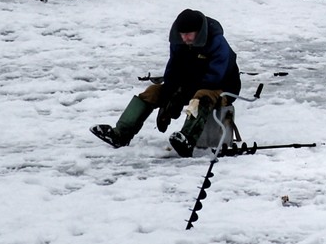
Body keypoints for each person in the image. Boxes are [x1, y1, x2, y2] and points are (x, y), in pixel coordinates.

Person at [92, 9, 242, 154]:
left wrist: (183, 93)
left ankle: (188, 139)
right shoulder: (179, 42)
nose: (185, 38)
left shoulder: (217, 42)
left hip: (222, 87)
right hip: (191, 85)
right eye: (182, 34)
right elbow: (173, 68)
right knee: (153, 91)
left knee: (201, 96)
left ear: (199, 32)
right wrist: (169, 96)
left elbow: (214, 77)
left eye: (189, 34)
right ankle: (121, 134)